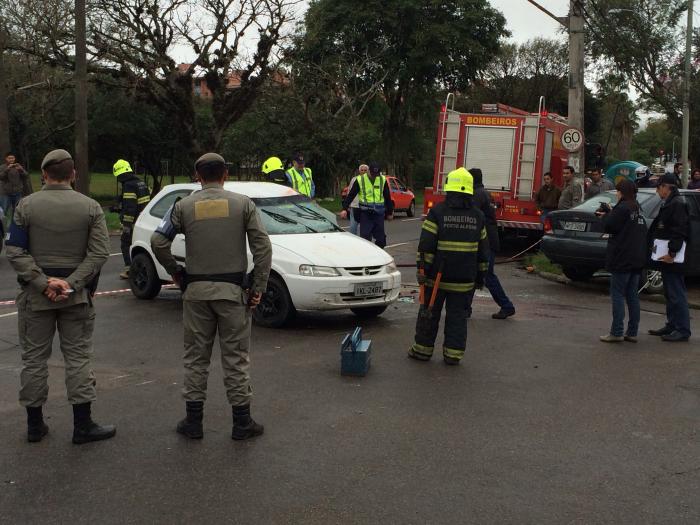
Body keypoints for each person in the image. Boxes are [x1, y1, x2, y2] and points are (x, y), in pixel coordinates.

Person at [151, 153, 273, 440]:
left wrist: (176, 272)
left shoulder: (183, 206)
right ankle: (242, 422)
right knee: (236, 358)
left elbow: (158, 241)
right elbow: (263, 248)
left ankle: (194, 422)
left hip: (196, 294)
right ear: (226, 175)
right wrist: (258, 287)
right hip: (233, 294)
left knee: (196, 358)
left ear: (197, 176)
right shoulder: (243, 204)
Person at [5, 149, 115, 444]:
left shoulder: (26, 206)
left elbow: (14, 250)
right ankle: (83, 425)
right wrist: (70, 284)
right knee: (78, 358)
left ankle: (34, 425)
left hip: (35, 297)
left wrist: (43, 283)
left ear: (43, 174)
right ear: (73, 175)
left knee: (33, 360)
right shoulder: (90, 207)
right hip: (76, 298)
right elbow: (99, 252)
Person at [408, 167, 489, 365]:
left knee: (429, 314)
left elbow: (426, 245)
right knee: (458, 318)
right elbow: (483, 252)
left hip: (437, 279)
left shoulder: (437, 212)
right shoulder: (478, 217)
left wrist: (422, 272)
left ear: (449, 189)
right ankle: (453, 355)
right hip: (464, 280)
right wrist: (480, 277)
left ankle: (422, 351)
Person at [595, 179, 647, 343]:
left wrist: (604, 216)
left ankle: (616, 331)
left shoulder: (623, 208)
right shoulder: (637, 208)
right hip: (636, 258)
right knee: (632, 295)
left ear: (622, 192)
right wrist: (612, 212)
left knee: (617, 294)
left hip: (622, 257)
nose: (616, 194)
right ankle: (632, 332)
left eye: (618, 191)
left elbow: (610, 226)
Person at [647, 173, 691, 342]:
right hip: (665, 254)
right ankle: (672, 324)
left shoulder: (677, 204)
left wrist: (672, 253)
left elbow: (679, 230)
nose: (658, 191)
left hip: (672, 256)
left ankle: (682, 329)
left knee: (676, 292)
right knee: (669, 292)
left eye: (659, 187)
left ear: (666, 187)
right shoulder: (670, 202)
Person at [468, 168, 515, 319]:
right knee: (474, 275)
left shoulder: (476, 195)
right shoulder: (484, 193)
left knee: (486, 275)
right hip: (489, 240)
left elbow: (473, 219)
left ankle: (506, 306)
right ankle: (465, 308)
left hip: (485, 242)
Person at [340, 162, 394, 247]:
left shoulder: (382, 179)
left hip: (379, 214)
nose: (374, 176)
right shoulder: (360, 180)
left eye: (376, 174)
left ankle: (379, 255)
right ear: (368, 171)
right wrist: (344, 209)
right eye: (372, 173)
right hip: (366, 213)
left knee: (381, 239)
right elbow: (351, 195)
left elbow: (387, 197)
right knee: (365, 237)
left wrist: (390, 212)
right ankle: (368, 256)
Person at [112, 159, 150, 279]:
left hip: (133, 222)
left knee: (125, 244)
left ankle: (129, 270)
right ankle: (141, 269)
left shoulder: (128, 185)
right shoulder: (140, 182)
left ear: (121, 174)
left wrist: (127, 226)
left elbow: (130, 208)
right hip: (143, 221)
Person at [0, 152, 33, 224]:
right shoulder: (2, 167)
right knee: (4, 210)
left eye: (13, 158)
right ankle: (3, 227)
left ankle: (14, 226)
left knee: (17, 211)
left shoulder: (18, 166)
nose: (11, 159)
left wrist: (21, 169)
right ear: (6, 159)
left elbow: (26, 176)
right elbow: (1, 177)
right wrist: (7, 169)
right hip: (5, 193)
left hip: (17, 192)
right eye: (9, 158)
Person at [347, 164, 368, 235]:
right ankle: (353, 241)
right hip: (355, 206)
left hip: (365, 207)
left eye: (365, 170)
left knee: (365, 227)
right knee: (353, 226)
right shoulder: (354, 179)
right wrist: (348, 205)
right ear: (359, 171)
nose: (363, 172)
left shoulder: (370, 180)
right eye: (362, 170)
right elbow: (349, 192)